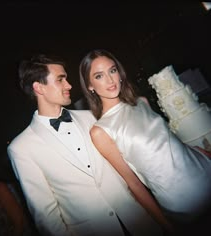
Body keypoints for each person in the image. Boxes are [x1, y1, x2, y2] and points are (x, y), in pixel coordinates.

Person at [7, 54, 166, 236]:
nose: (69, 85)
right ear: (39, 87)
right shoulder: (21, 148)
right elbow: (46, 216)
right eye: (61, 80)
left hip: (141, 223)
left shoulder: (92, 117)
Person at [79, 49, 211, 229]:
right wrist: (165, 225)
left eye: (112, 70)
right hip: (183, 206)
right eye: (99, 76)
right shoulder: (101, 131)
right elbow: (133, 184)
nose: (110, 80)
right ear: (90, 86)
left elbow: (167, 140)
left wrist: (198, 151)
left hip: (205, 170)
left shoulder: (142, 102)